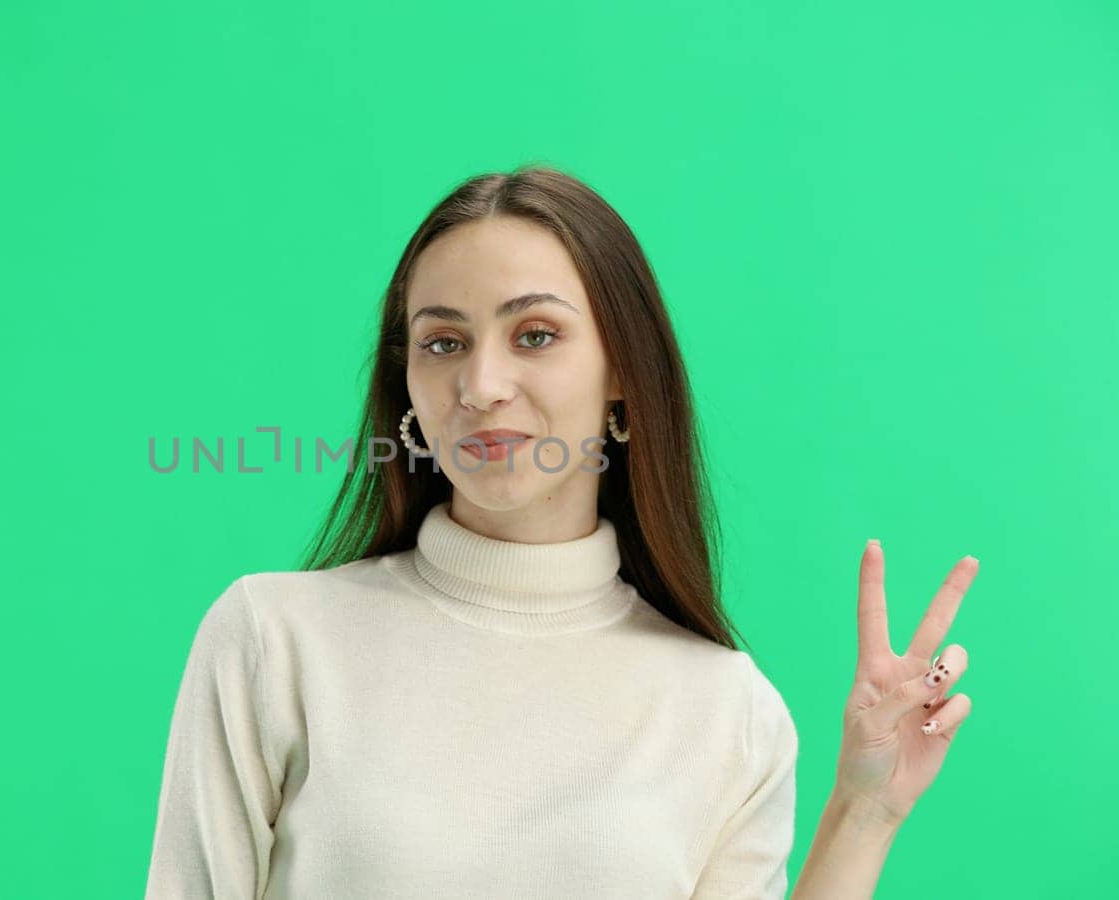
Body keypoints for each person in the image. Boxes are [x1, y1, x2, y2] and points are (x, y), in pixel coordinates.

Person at [144, 166, 980, 899]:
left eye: (534, 334)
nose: (480, 384)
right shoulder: (273, 640)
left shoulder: (727, 711)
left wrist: (866, 812)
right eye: (442, 341)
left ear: (622, 370)